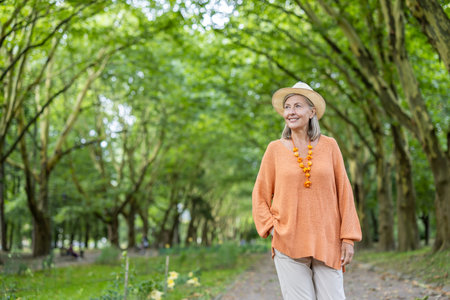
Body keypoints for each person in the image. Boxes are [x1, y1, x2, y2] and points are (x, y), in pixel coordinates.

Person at [252, 81, 362, 300]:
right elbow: (260, 196)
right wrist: (274, 229)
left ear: (312, 112)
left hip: (327, 240)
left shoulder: (330, 145)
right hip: (288, 242)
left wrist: (347, 239)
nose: (291, 112)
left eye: (298, 106)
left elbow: (344, 193)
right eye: (288, 107)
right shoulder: (274, 149)